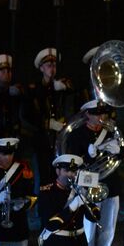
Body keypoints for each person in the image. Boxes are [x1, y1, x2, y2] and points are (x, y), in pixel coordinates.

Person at [64, 100, 124, 246]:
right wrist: (87, 155)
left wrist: (119, 150)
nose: (101, 117)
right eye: (96, 113)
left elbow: (123, 154)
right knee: (89, 233)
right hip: (89, 187)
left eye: (103, 113)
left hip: (111, 185)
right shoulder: (77, 135)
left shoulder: (112, 132)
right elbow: (72, 163)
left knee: (108, 232)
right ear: (87, 115)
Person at [23, 48, 73, 180]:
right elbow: (27, 114)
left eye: (54, 65)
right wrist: (47, 123)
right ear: (41, 68)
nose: (52, 69)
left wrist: (64, 87)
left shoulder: (61, 86)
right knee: (44, 176)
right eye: (48, 66)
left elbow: (73, 90)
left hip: (60, 139)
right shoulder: (34, 89)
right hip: (43, 140)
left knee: (60, 176)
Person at [0, 54, 23, 146]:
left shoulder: (17, 92)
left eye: (9, 71)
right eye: (2, 71)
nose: (7, 73)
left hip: (14, 136)